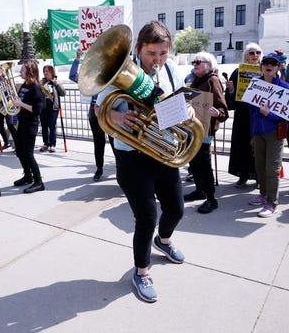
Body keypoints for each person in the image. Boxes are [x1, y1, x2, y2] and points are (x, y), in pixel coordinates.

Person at [95, 21, 192, 303]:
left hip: (163, 151)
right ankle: (142, 271)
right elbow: (101, 108)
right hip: (133, 157)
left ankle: (163, 241)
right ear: (138, 49)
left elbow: (179, 97)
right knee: (147, 218)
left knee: (176, 209)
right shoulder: (119, 71)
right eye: (152, 54)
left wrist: (186, 108)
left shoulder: (171, 69)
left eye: (163, 53)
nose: (158, 61)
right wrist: (119, 118)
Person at [184, 52, 228, 213]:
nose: (194, 64)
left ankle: (211, 198)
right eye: (193, 61)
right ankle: (199, 190)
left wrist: (218, 113)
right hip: (193, 127)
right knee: (194, 161)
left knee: (203, 163)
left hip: (205, 128)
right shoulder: (195, 79)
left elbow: (222, 106)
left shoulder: (212, 80)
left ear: (208, 64)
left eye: (198, 62)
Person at [248, 53, 289, 218]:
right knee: (259, 166)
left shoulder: (285, 88)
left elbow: (286, 114)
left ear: (278, 67)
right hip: (258, 132)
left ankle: (272, 203)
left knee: (272, 168)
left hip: (276, 133)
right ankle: (263, 194)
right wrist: (252, 134)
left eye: (273, 63)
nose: (269, 65)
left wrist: (269, 114)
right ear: (261, 66)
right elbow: (252, 112)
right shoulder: (255, 85)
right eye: (266, 63)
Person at [69, 48, 115, 181]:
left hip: (110, 114)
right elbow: (73, 76)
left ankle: (120, 167)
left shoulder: (111, 77)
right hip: (95, 116)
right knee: (98, 143)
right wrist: (78, 59)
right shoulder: (92, 78)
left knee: (115, 142)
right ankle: (99, 169)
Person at [225, 43, 262, 187]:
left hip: (260, 116)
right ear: (246, 56)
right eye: (251, 53)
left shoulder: (265, 70)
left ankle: (260, 178)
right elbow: (231, 98)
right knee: (241, 147)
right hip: (243, 116)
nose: (255, 55)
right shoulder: (238, 71)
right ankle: (243, 175)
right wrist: (231, 89)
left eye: (258, 52)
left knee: (259, 148)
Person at [12, 59, 44, 194]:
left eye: (23, 70)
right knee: (19, 151)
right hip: (22, 122)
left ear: (30, 72)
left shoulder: (36, 88)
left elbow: (37, 110)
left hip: (31, 124)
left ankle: (39, 182)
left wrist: (21, 104)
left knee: (28, 154)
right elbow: (20, 102)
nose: (20, 72)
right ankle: (27, 175)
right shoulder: (24, 85)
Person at [39, 65, 66, 153]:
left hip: (53, 107)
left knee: (52, 125)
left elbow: (63, 93)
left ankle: (52, 144)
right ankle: (46, 143)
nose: (46, 73)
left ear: (52, 72)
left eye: (47, 71)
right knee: (44, 126)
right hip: (43, 107)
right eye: (44, 71)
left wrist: (57, 85)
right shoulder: (42, 82)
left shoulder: (55, 81)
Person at [0, 66, 17, 149]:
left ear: (2, 71)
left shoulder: (7, 80)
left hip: (7, 104)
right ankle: (6, 142)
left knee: (10, 124)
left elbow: (12, 91)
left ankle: (17, 143)